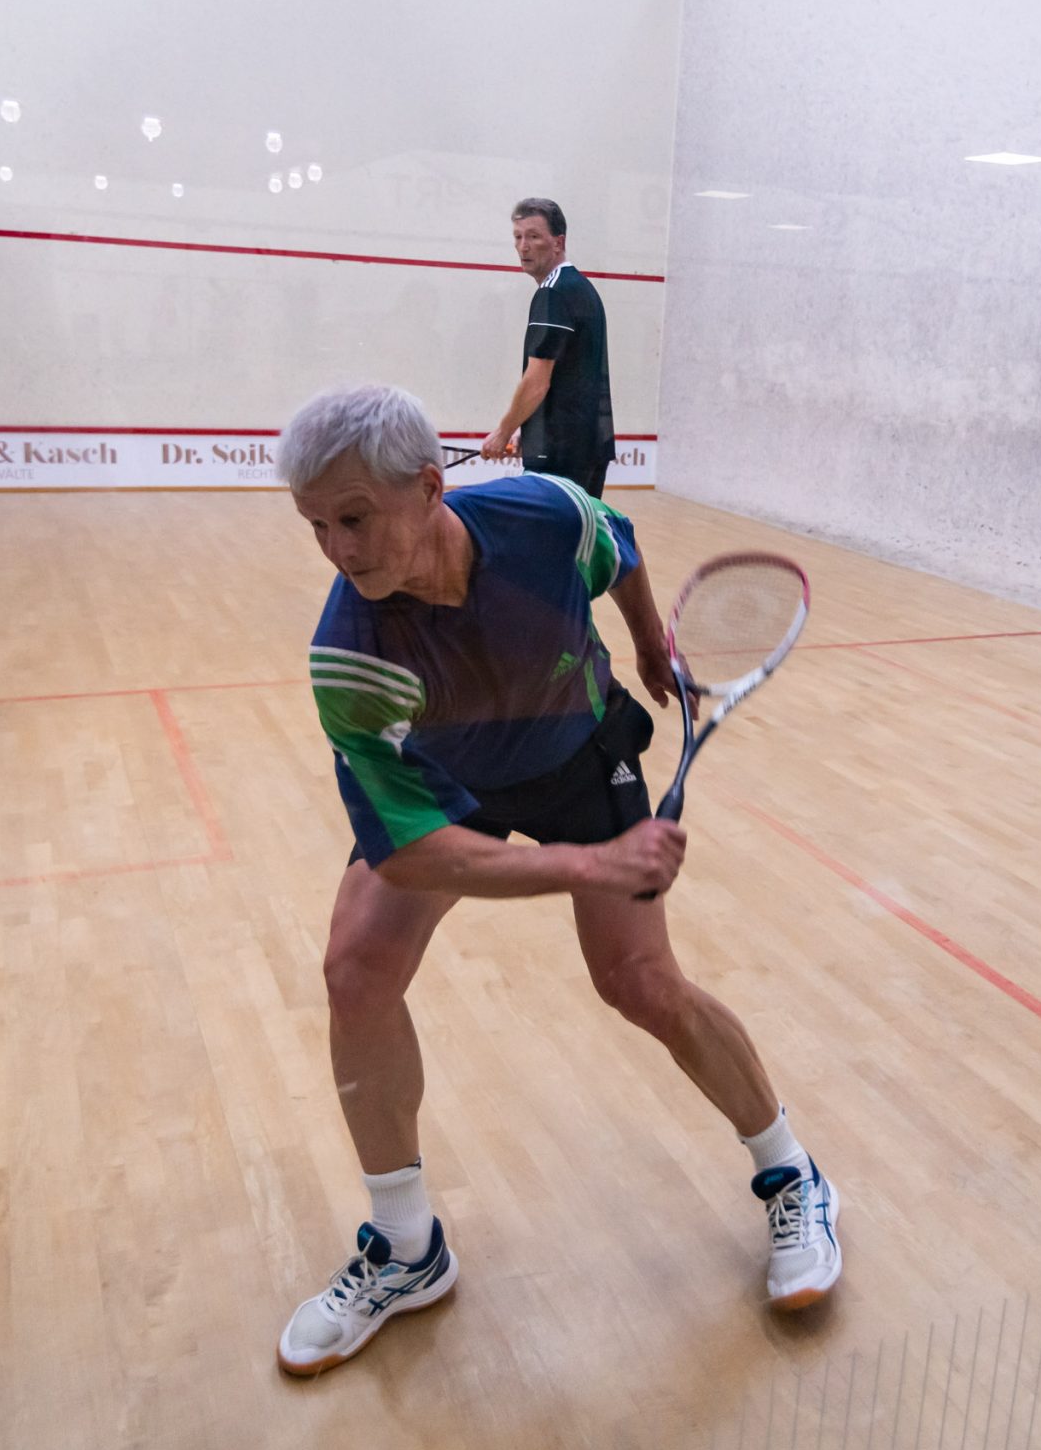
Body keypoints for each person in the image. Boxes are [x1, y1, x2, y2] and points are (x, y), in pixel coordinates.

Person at [277, 383, 842, 1376]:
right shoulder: (352, 656)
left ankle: (792, 1174)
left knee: (639, 982)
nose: (336, 549)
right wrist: (588, 865)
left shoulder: (541, 516)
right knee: (356, 969)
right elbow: (412, 852)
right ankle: (407, 1248)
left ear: (428, 488)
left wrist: (646, 641)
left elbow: (616, 546)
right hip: (453, 780)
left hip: (581, 756)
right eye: (315, 525)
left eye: (353, 518)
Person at [482, 196, 614, 496]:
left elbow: (537, 380)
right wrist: (528, 430)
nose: (523, 246)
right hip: (585, 447)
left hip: (560, 453)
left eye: (534, 236)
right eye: (518, 237)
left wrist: (502, 432)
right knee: (578, 528)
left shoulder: (553, 294)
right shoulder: (580, 287)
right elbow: (569, 377)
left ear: (558, 242)